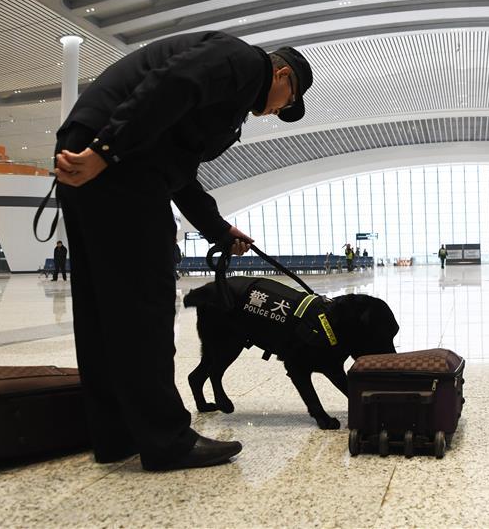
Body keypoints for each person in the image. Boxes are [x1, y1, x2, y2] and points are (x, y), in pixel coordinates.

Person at [52, 31, 313, 471]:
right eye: (286, 103)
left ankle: (116, 434)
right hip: (118, 165)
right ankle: (166, 440)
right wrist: (105, 151)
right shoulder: (243, 62)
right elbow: (171, 83)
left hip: (107, 160)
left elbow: (179, 171)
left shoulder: (225, 93)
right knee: (146, 307)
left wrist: (218, 229)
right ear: (282, 74)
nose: (276, 111)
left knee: (103, 310)